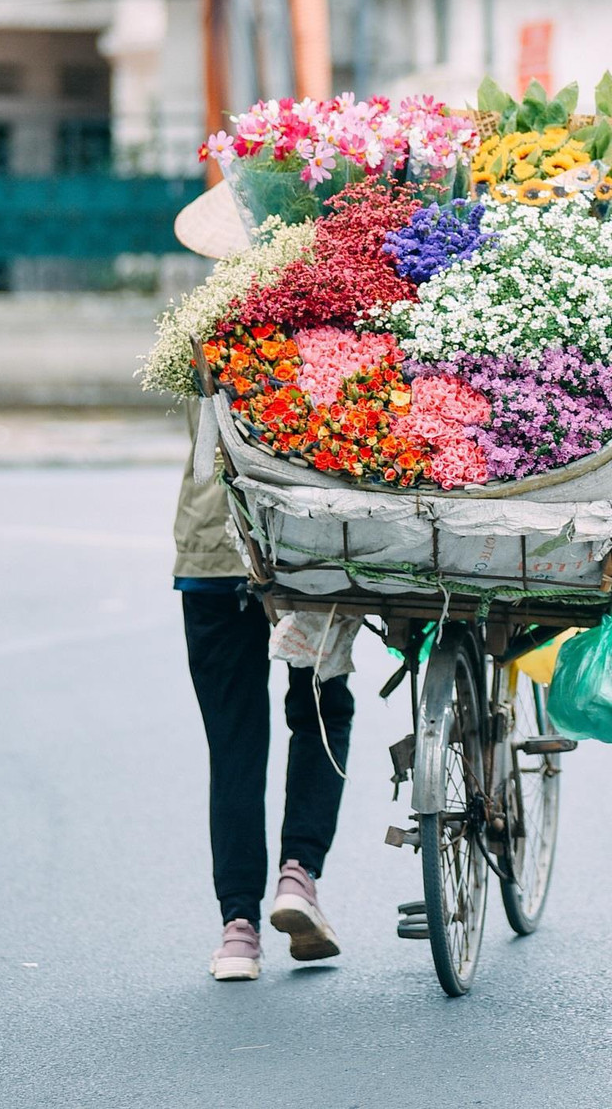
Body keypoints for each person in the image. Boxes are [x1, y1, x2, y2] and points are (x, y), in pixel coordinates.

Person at [173, 400, 355, 980]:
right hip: (307, 551)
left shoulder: (204, 329)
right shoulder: (326, 312)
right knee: (321, 712)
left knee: (234, 743)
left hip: (214, 552)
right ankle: (298, 876)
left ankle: (238, 933)